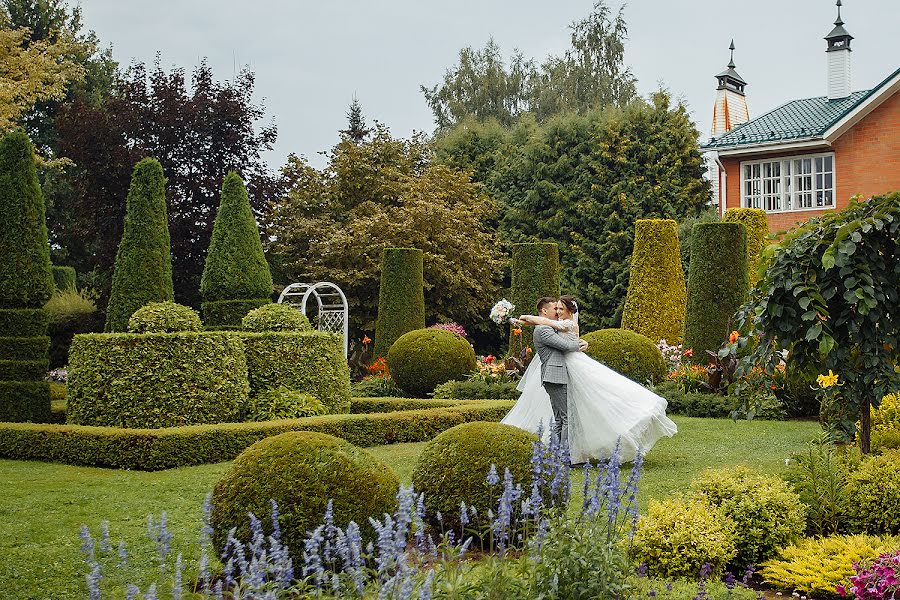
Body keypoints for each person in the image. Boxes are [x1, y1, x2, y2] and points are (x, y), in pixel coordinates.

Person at [503, 296, 677, 463]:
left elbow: (553, 328)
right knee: (564, 416)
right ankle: (562, 454)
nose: (557, 311)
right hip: (559, 372)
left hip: (568, 368)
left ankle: (561, 453)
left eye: (560, 308)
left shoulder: (561, 324)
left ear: (569, 311)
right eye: (555, 308)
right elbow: (556, 334)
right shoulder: (546, 328)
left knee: (568, 414)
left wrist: (524, 319)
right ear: (544, 311)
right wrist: (579, 344)